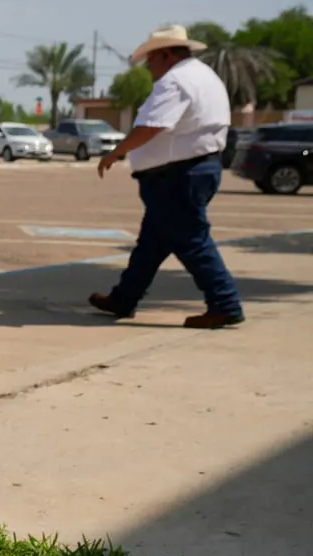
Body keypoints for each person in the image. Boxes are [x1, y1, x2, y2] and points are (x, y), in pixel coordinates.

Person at [91, 25, 243, 329]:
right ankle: (123, 298)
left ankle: (225, 303)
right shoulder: (203, 75)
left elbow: (152, 125)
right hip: (193, 170)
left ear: (166, 54)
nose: (149, 66)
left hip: (176, 176)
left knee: (193, 241)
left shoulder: (175, 81)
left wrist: (116, 152)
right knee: (152, 243)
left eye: (151, 58)